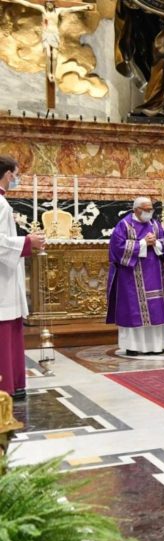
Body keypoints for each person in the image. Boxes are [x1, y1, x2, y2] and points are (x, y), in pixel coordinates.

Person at [106, 197, 164, 356]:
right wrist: (143, 243)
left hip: (155, 272)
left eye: (151, 209)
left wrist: (157, 243)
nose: (149, 212)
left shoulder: (155, 224)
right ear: (136, 209)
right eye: (146, 209)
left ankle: (157, 345)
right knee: (134, 310)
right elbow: (117, 249)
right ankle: (133, 346)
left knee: (156, 308)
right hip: (132, 275)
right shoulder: (123, 225)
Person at [0, 156, 45, 400]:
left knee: (11, 329)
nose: (17, 179)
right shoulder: (0, 204)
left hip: (5, 277)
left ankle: (14, 383)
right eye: (16, 174)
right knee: (4, 331)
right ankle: (6, 388)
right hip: (2, 281)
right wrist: (29, 242)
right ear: (7, 174)